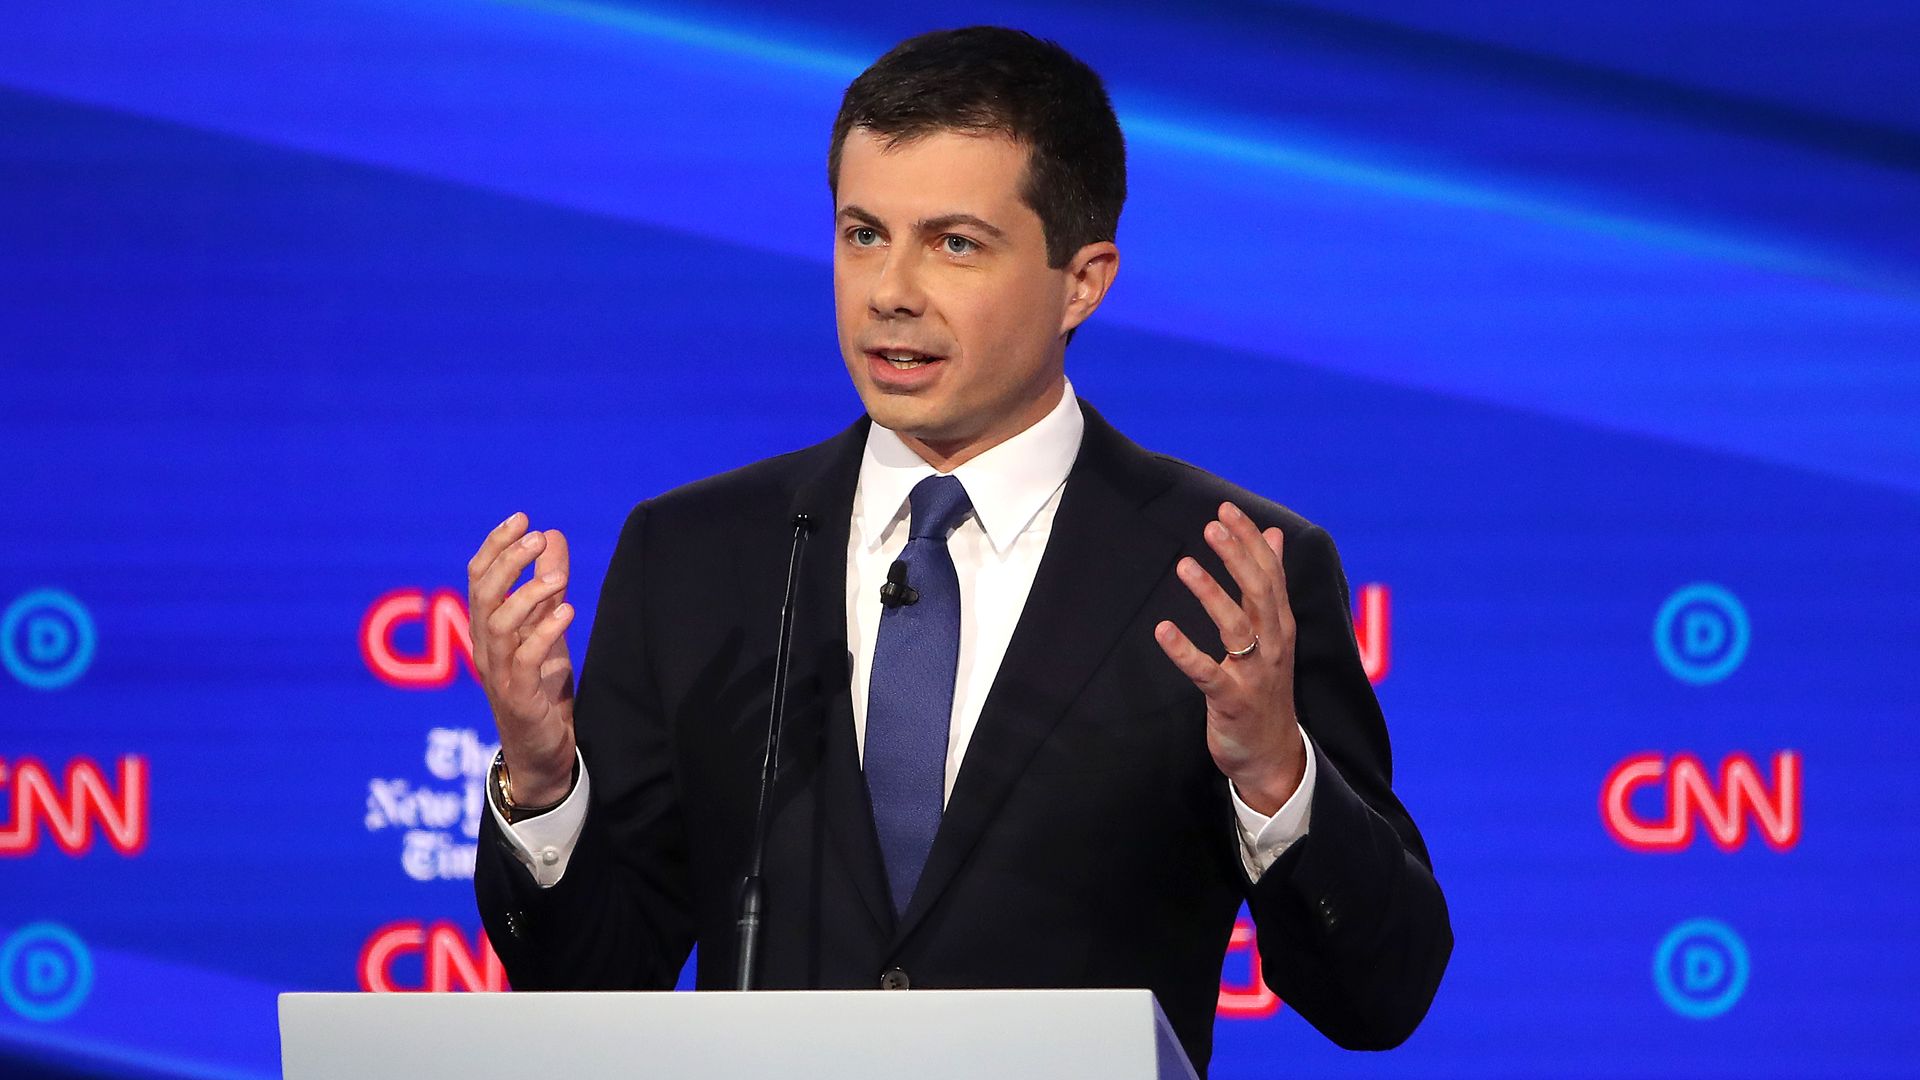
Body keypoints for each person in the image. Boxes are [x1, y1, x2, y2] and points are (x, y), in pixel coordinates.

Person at [466, 26, 1450, 1073]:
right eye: (861, 234)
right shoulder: (696, 555)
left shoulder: (1225, 569)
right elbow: (595, 986)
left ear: (1083, 281)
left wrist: (1273, 774)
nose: (890, 290)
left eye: (954, 243)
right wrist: (540, 785)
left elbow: (1377, 996)